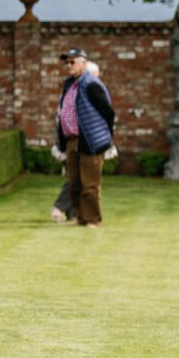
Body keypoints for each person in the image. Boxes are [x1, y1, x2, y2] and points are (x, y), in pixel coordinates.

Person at [51, 47, 115, 228]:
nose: (69, 65)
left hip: (89, 140)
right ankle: (80, 216)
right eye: (67, 62)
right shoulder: (69, 84)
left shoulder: (91, 84)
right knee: (74, 182)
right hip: (71, 139)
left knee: (90, 183)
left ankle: (92, 219)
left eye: (73, 62)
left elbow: (108, 112)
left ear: (84, 63)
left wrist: (104, 137)